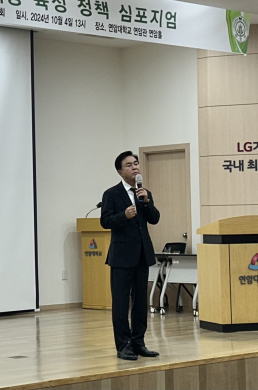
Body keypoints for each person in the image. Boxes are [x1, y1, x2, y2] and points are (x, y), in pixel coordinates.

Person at [100, 151, 161, 361]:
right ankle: (123, 345)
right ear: (120, 171)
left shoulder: (145, 192)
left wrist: (147, 202)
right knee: (120, 303)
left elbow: (154, 219)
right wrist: (123, 216)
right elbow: (105, 221)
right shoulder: (111, 194)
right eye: (129, 165)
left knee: (140, 302)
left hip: (142, 255)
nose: (135, 167)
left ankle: (139, 342)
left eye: (136, 164)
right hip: (121, 257)